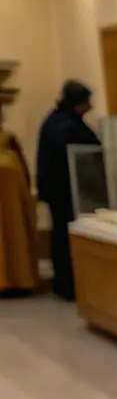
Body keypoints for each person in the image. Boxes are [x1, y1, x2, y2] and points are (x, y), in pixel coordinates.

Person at [36, 80, 102, 301]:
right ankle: (69, 283)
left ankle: (66, 282)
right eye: (87, 103)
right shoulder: (66, 126)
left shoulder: (57, 121)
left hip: (63, 191)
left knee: (62, 235)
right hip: (67, 192)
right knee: (66, 237)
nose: (90, 108)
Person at [0, 114, 38, 295]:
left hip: (14, 201)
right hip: (13, 200)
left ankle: (17, 279)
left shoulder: (9, 140)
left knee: (15, 235)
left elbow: (24, 171)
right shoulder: (9, 142)